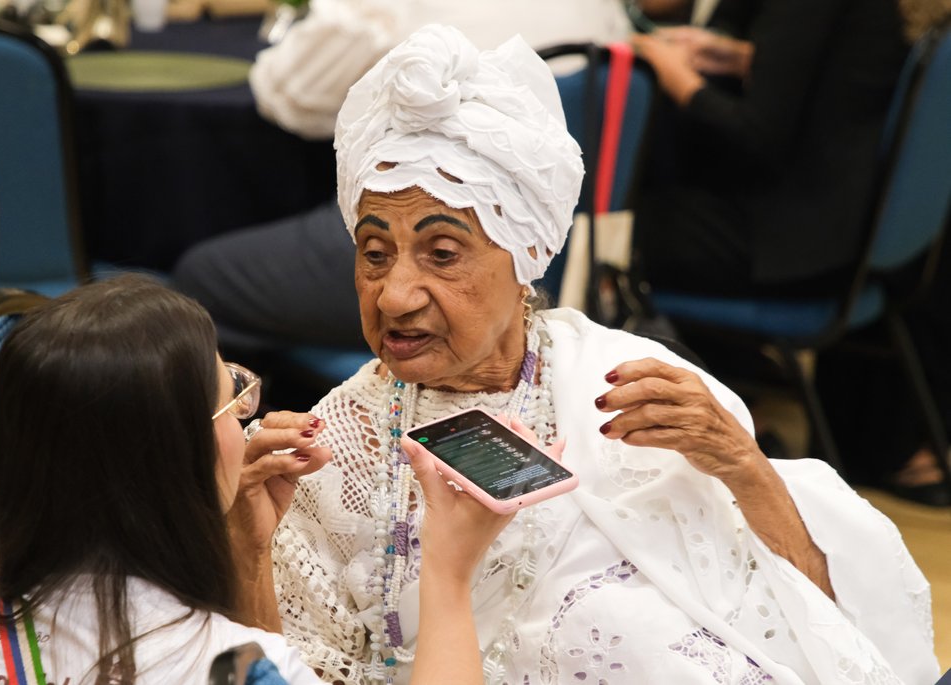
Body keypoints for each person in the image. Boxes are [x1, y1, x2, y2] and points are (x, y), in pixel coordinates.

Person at [257, 25, 939, 684]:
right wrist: (243, 532)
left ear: (525, 258)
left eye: (442, 254)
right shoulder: (335, 452)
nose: (396, 294)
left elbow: (832, 618)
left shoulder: (634, 388)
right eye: (374, 254)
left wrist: (743, 467)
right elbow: (294, 666)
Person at [0, 275, 517, 685]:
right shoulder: (231, 663)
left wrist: (249, 552)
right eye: (232, 399)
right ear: (177, 458)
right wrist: (446, 573)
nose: (247, 417)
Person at [172, 0, 632, 356]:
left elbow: (291, 96)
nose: (395, 298)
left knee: (201, 277)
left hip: (478, 237)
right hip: (576, 243)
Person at [628, 0, 909, 298]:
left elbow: (756, 137)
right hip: (842, 228)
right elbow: (836, 71)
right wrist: (740, 58)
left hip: (794, 244)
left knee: (608, 227)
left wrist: (670, 72)